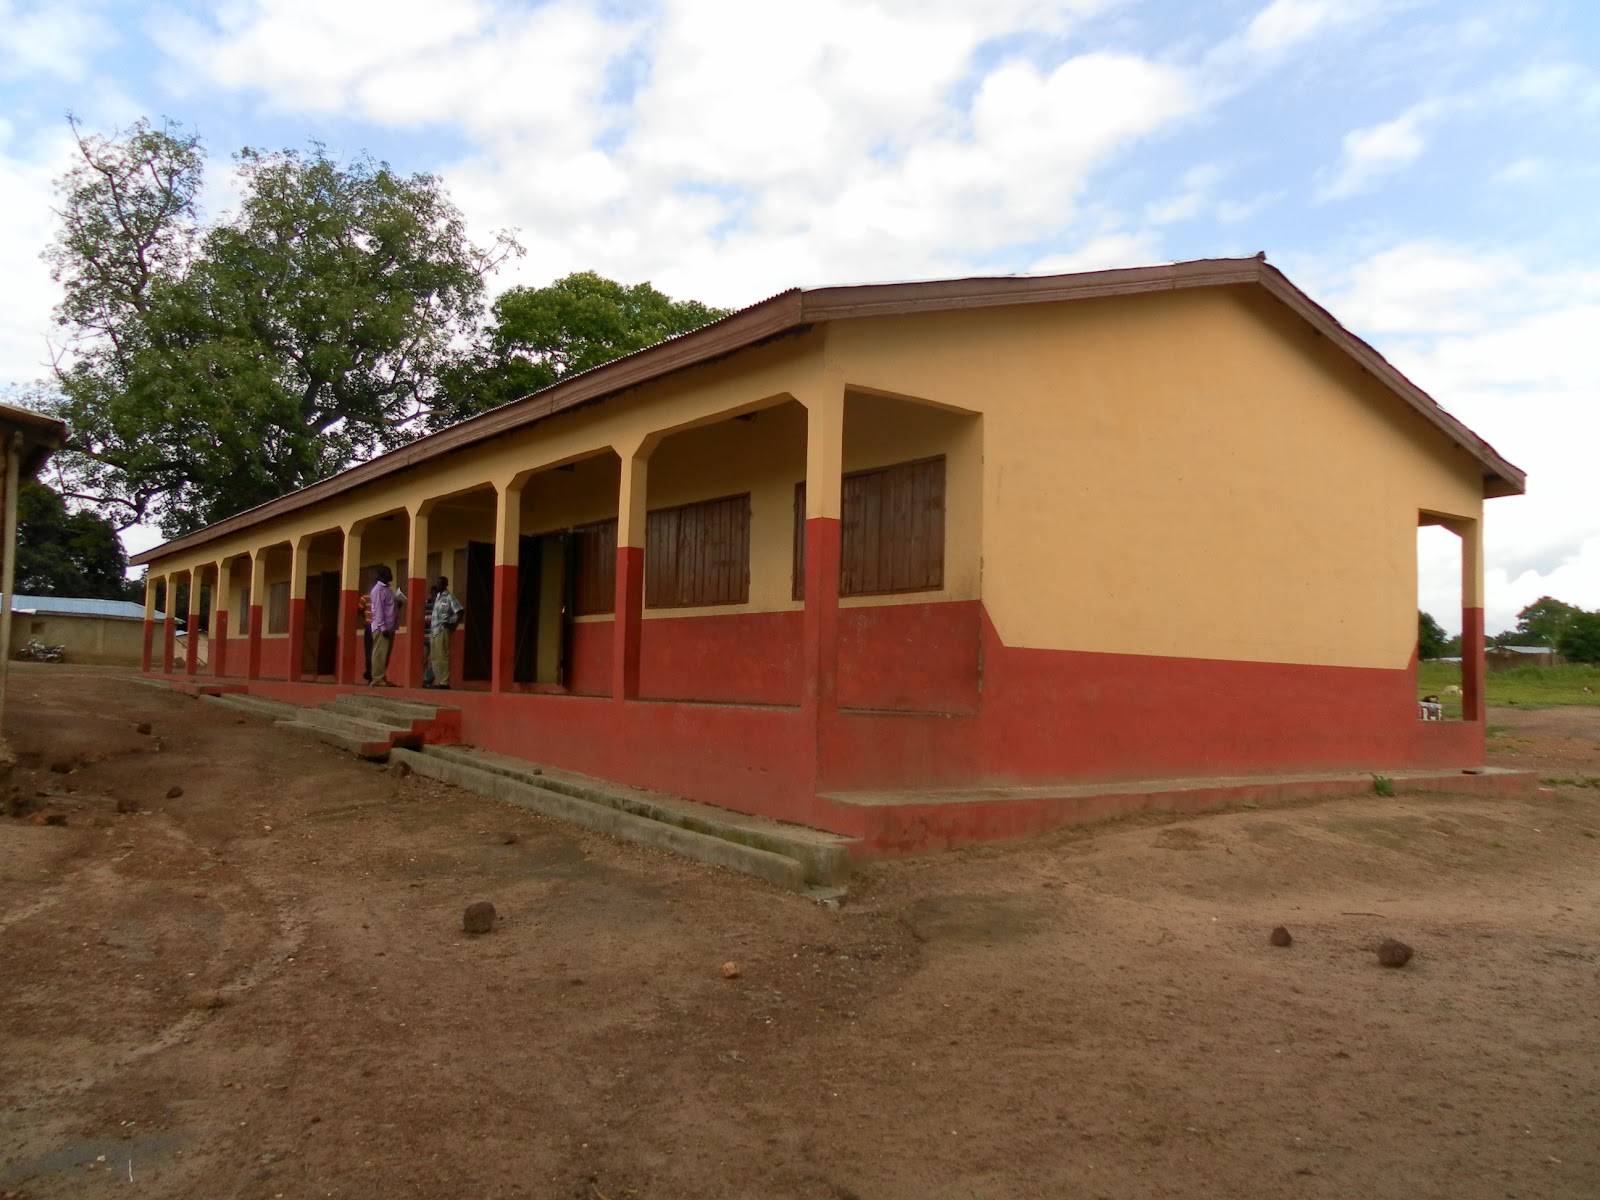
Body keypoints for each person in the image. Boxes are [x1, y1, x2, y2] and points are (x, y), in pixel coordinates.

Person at [428, 576, 463, 690]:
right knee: (435, 657)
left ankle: (444, 681)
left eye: (439, 583)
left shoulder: (449, 597)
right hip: (434, 631)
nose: (437, 585)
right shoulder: (437, 597)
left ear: (445, 585)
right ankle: (438, 680)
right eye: (437, 583)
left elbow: (460, 610)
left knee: (443, 656)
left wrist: (453, 625)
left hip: (442, 630)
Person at [368, 565, 400, 687]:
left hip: (390, 626)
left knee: (385, 653)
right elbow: (379, 610)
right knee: (379, 653)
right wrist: (383, 627)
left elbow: (388, 606)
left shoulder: (387, 590)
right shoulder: (378, 590)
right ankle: (377, 678)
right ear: (382, 575)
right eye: (389, 573)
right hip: (382, 628)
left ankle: (381, 677)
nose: (391, 575)